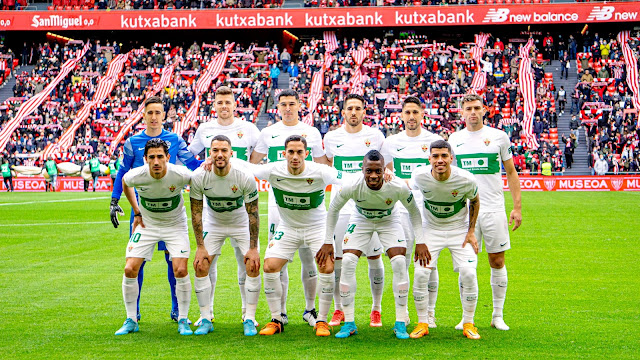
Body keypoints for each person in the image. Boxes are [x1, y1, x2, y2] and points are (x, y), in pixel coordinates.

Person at [109, 96, 202, 323]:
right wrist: (114, 200)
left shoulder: (174, 140)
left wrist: (211, 170)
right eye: (149, 112)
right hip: (142, 209)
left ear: (164, 115)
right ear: (144, 115)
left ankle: (176, 309)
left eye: (157, 112)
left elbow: (192, 165)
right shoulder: (133, 142)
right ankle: (135, 313)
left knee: (174, 261)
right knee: (136, 261)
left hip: (170, 209)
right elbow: (123, 173)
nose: (153, 117)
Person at [325, 150, 428, 340]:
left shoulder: (396, 186)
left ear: (384, 170)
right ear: (362, 170)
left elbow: (414, 212)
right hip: (361, 219)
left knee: (398, 263)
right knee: (347, 261)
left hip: (389, 220)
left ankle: (399, 322)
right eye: (369, 171)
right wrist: (326, 242)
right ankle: (349, 323)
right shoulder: (352, 185)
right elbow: (333, 210)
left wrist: (420, 241)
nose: (373, 176)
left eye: (378, 171)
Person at [246, 135, 341, 337]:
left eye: (299, 152)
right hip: (288, 227)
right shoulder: (273, 170)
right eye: (291, 152)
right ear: (284, 153)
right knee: (270, 266)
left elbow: (347, 178)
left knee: (327, 266)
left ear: (306, 154)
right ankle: (276, 319)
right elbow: (246, 168)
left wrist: (384, 174)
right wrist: (213, 161)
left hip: (317, 228)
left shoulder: (320, 171)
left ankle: (322, 320)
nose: (295, 156)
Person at [249, 89, 330, 327]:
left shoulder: (312, 132)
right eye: (283, 104)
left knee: (309, 259)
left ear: (299, 105)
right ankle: (280, 312)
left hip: (309, 208)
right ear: (277, 107)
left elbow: (323, 164)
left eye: (291, 104)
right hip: (279, 205)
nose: (287, 108)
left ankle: (310, 309)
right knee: (278, 259)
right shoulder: (268, 133)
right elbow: (252, 163)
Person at [447, 93, 522, 331]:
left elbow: (511, 172)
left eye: (476, 108)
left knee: (497, 260)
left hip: (493, 209)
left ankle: (497, 315)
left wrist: (517, 207)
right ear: (461, 112)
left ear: (484, 110)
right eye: (468, 108)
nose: (472, 112)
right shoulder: (454, 139)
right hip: (464, 212)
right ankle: (466, 317)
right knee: (466, 265)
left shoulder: (498, 137)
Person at [188, 86, 261, 326]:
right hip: (213, 214)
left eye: (228, 102)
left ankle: (247, 313)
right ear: (215, 105)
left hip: (240, 206)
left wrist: (243, 172)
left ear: (234, 104)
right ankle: (205, 314)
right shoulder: (205, 129)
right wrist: (203, 164)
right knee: (206, 263)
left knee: (248, 264)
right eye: (220, 102)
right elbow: (190, 157)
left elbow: (258, 158)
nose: (224, 106)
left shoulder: (249, 129)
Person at [114, 138, 194, 336]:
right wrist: (137, 211)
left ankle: (183, 319)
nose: (156, 161)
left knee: (180, 269)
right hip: (147, 225)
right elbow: (125, 183)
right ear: (145, 159)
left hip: (175, 225)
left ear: (168, 157)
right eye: (152, 157)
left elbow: (198, 182)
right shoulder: (136, 175)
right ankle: (131, 319)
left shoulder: (181, 174)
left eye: (160, 157)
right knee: (130, 268)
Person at [322, 94, 386, 328]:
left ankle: (376, 309)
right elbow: (329, 165)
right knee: (338, 259)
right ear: (343, 112)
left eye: (358, 108)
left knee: (374, 257)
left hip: (370, 206)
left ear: (363, 112)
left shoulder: (375, 136)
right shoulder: (331, 137)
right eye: (350, 108)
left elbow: (384, 168)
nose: (353, 112)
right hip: (341, 207)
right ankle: (339, 309)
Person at [408, 140, 481, 340]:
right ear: (429, 158)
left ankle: (469, 322)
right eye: (435, 156)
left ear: (451, 158)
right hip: (431, 230)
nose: (440, 160)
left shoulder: (466, 179)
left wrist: (471, 230)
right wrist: (420, 237)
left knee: (468, 273)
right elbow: (407, 191)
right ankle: (422, 322)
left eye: (444, 156)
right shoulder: (419, 176)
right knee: (422, 273)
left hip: (459, 230)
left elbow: (474, 200)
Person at [380, 96, 443, 327]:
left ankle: (429, 314)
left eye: (415, 112)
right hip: (402, 209)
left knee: (430, 262)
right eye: (407, 112)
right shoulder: (391, 142)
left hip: (428, 209)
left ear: (422, 114)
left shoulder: (434, 140)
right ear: (402, 115)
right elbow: (387, 175)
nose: (411, 117)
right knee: (402, 260)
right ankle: (403, 312)